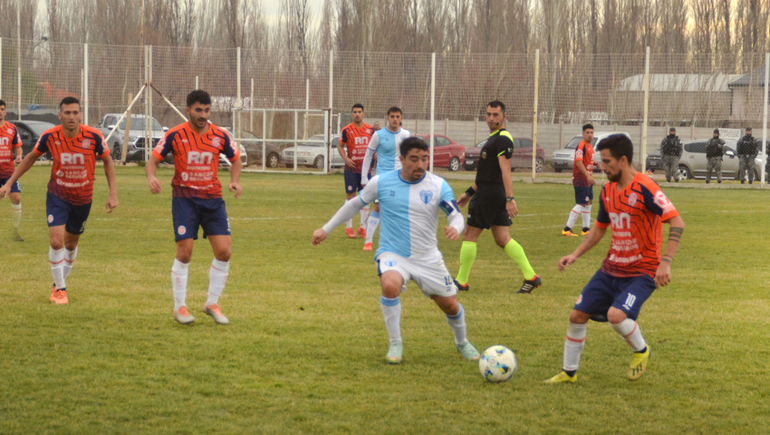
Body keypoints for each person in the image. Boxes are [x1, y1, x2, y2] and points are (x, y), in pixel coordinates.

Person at [313, 137, 480, 364]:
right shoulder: (381, 182)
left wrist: (456, 228)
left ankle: (462, 342)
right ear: (401, 159)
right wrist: (326, 229)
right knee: (390, 285)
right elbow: (354, 204)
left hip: (427, 257)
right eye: (414, 159)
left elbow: (455, 215)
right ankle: (395, 343)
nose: (420, 165)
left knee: (450, 305)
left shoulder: (438, 185)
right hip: (393, 253)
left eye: (424, 159)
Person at [545, 134, 685, 384]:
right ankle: (569, 373)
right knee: (577, 316)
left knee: (616, 316)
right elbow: (600, 228)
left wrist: (666, 262)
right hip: (610, 269)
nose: (602, 167)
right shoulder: (608, 190)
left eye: (607, 161)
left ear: (623, 160)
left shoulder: (646, 187)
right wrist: (574, 254)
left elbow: (677, 222)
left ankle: (641, 350)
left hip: (642, 272)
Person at [0, 97, 118, 305]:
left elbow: (107, 161)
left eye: (75, 112)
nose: (71, 116)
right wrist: (9, 183)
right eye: (67, 113)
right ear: (60, 115)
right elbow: (30, 158)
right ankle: (61, 290)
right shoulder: (50, 136)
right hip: (57, 195)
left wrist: (113, 194)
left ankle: (58, 284)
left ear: (80, 115)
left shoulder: (93, 136)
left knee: (71, 244)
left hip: (83, 197)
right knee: (56, 241)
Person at [146, 90, 242, 325]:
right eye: (198, 110)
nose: (203, 115)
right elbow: (152, 160)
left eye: (207, 110)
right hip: (184, 199)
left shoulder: (220, 135)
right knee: (185, 252)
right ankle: (180, 307)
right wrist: (151, 177)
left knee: (224, 252)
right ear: (188, 110)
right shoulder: (174, 134)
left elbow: (236, 159)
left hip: (213, 200)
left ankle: (212, 303)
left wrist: (234, 180)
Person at [454, 101, 540, 294]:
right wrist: (469, 193)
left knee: (469, 235)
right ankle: (531, 277)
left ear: (504, 116)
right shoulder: (494, 139)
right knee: (502, 238)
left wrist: (510, 199)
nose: (491, 118)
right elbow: (488, 174)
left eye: (495, 115)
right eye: (488, 114)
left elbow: (505, 170)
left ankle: (461, 281)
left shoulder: (502, 139)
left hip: (489, 195)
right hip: (491, 192)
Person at [360, 107, 410, 251]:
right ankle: (368, 241)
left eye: (397, 116)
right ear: (387, 118)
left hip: (400, 179)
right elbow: (368, 156)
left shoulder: (406, 135)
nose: (395, 119)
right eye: (392, 116)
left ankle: (396, 242)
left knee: (399, 209)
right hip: (382, 178)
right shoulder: (378, 135)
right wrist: (364, 178)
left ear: (401, 119)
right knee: (378, 207)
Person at [337, 104, 374, 238]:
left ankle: (363, 228)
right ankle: (349, 227)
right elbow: (340, 146)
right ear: (352, 114)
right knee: (351, 196)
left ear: (364, 114)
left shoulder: (370, 129)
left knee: (365, 197)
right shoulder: (346, 130)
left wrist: (376, 153)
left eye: (359, 112)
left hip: (365, 170)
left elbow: (375, 145)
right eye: (355, 112)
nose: (357, 114)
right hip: (351, 169)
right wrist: (346, 159)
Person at [562, 124, 595, 237]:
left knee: (588, 202)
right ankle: (567, 229)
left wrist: (596, 164)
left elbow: (586, 160)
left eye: (591, 132)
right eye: (587, 132)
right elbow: (578, 162)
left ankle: (585, 229)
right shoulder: (581, 146)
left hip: (587, 179)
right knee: (582, 203)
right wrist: (588, 176)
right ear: (583, 134)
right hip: (581, 179)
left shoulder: (590, 146)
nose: (590, 135)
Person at [0, 99, 24, 240]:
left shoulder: (12, 128)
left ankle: (15, 231)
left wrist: (19, 156)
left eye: (2, 109)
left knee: (16, 198)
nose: (0, 111)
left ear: (5, 112)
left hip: (9, 171)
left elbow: (18, 146)